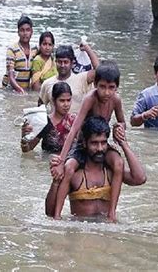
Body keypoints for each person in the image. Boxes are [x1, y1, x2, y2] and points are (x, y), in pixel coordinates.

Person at [51, 61, 127, 222]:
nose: (106, 92)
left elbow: (122, 122)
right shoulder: (90, 99)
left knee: (119, 164)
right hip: (82, 143)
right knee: (69, 167)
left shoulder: (116, 100)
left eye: (111, 87)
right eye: (102, 86)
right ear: (95, 84)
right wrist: (61, 160)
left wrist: (119, 127)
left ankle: (112, 213)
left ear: (117, 87)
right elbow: (74, 130)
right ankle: (57, 215)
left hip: (101, 143)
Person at [46, 116, 146, 220]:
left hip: (106, 231)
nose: (100, 148)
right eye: (94, 143)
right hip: (80, 232)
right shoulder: (74, 174)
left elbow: (140, 178)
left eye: (103, 142)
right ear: (84, 143)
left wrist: (123, 143)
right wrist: (56, 181)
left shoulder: (113, 171)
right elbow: (50, 213)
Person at [38, 44, 98, 114]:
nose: (62, 65)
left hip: (77, 123)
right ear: (55, 62)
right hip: (56, 124)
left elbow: (99, 70)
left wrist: (88, 49)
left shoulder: (82, 79)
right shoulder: (47, 83)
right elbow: (40, 109)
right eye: (59, 62)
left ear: (72, 63)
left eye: (66, 62)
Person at [21, 82, 75, 153]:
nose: (66, 104)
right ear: (53, 100)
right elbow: (28, 149)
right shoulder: (45, 122)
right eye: (62, 100)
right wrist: (24, 138)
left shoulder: (74, 121)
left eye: (68, 100)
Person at [2, 16, 38, 94]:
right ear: (18, 32)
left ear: (31, 32)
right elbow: (11, 76)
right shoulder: (12, 50)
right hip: (10, 90)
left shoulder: (35, 50)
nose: (25, 33)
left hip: (25, 89)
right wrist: (20, 90)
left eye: (27, 30)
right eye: (22, 30)